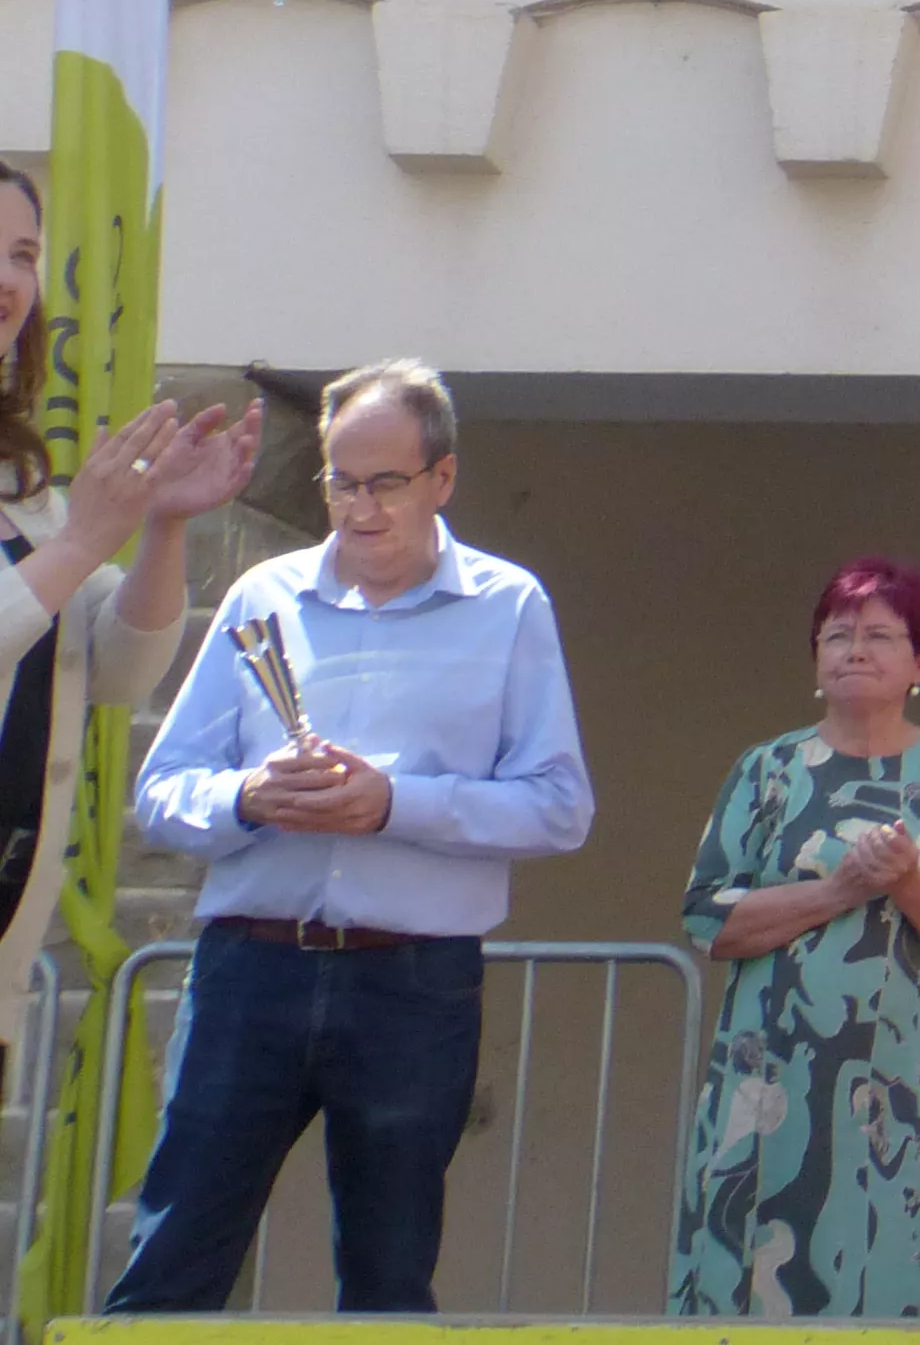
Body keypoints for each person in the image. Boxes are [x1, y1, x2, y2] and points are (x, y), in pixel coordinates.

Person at [114, 359, 592, 1315]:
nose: (358, 506)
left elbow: (558, 806)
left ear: (442, 480)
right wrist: (251, 796)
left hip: (412, 981)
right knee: (173, 1258)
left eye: (385, 483)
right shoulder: (263, 597)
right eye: (339, 479)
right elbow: (161, 792)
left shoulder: (508, 606)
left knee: (386, 1278)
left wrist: (393, 804)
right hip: (250, 969)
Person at [672, 558, 920, 1318]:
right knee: (753, 1291)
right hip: (771, 1081)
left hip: (910, 1087)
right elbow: (707, 918)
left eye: (880, 635)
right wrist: (839, 890)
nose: (856, 650)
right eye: (838, 635)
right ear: (816, 658)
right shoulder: (767, 770)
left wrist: (909, 883)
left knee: (903, 1281)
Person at [0, 163, 261, 1048]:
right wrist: (78, 544)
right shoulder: (55, 523)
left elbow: (115, 668)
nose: (9, 277)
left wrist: (161, 528)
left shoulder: (22, 487)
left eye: (24, 254)